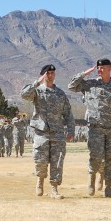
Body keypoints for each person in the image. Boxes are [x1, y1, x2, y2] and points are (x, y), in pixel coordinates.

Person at [68, 59, 111, 198]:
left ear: (109, 68)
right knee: (95, 156)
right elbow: (71, 86)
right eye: (98, 68)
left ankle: (108, 187)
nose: (99, 70)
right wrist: (85, 73)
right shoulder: (90, 84)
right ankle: (91, 178)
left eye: (102, 68)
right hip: (95, 128)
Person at [21, 64, 75, 199]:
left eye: (52, 73)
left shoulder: (60, 94)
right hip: (42, 132)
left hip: (57, 132)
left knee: (57, 161)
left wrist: (71, 130)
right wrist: (37, 82)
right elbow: (24, 94)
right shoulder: (37, 92)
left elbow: (68, 113)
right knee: (40, 160)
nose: (50, 75)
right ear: (43, 75)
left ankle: (54, 189)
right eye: (48, 73)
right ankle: (40, 181)